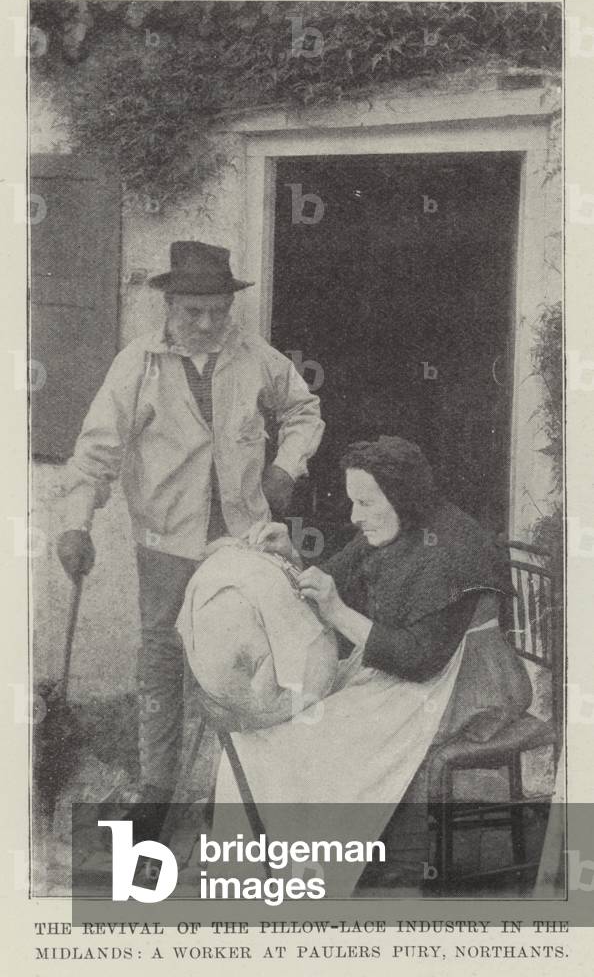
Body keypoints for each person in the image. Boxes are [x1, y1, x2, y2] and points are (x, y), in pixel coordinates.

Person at [55, 240, 325, 806]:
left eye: (217, 312)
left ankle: (237, 789)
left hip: (243, 540)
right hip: (165, 542)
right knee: (162, 660)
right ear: (168, 308)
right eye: (192, 312)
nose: (207, 324)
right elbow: (97, 452)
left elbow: (304, 410)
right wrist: (75, 523)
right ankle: (156, 789)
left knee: (245, 657)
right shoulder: (137, 365)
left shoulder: (254, 356)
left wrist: (284, 467)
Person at [209, 435, 531, 894]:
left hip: (463, 683)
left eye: (365, 502)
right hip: (406, 669)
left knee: (304, 737)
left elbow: (419, 660)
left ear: (400, 495)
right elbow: (338, 574)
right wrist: (292, 555)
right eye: (352, 501)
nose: (355, 516)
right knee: (272, 725)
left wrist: (338, 612)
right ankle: (275, 869)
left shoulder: (452, 550)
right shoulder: (400, 524)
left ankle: (301, 874)